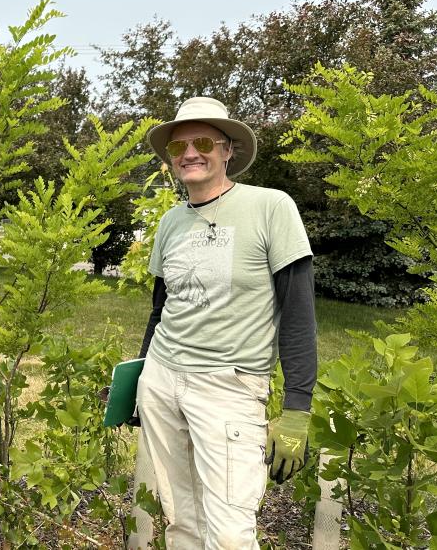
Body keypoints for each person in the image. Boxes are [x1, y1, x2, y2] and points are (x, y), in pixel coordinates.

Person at [135, 97, 317, 548]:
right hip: (163, 381)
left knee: (231, 532)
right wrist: (138, 377)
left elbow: (297, 309)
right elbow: (162, 309)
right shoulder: (171, 222)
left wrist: (297, 408)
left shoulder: (270, 206)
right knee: (181, 520)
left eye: (202, 142)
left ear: (228, 149)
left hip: (229, 387)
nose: (190, 154)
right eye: (178, 147)